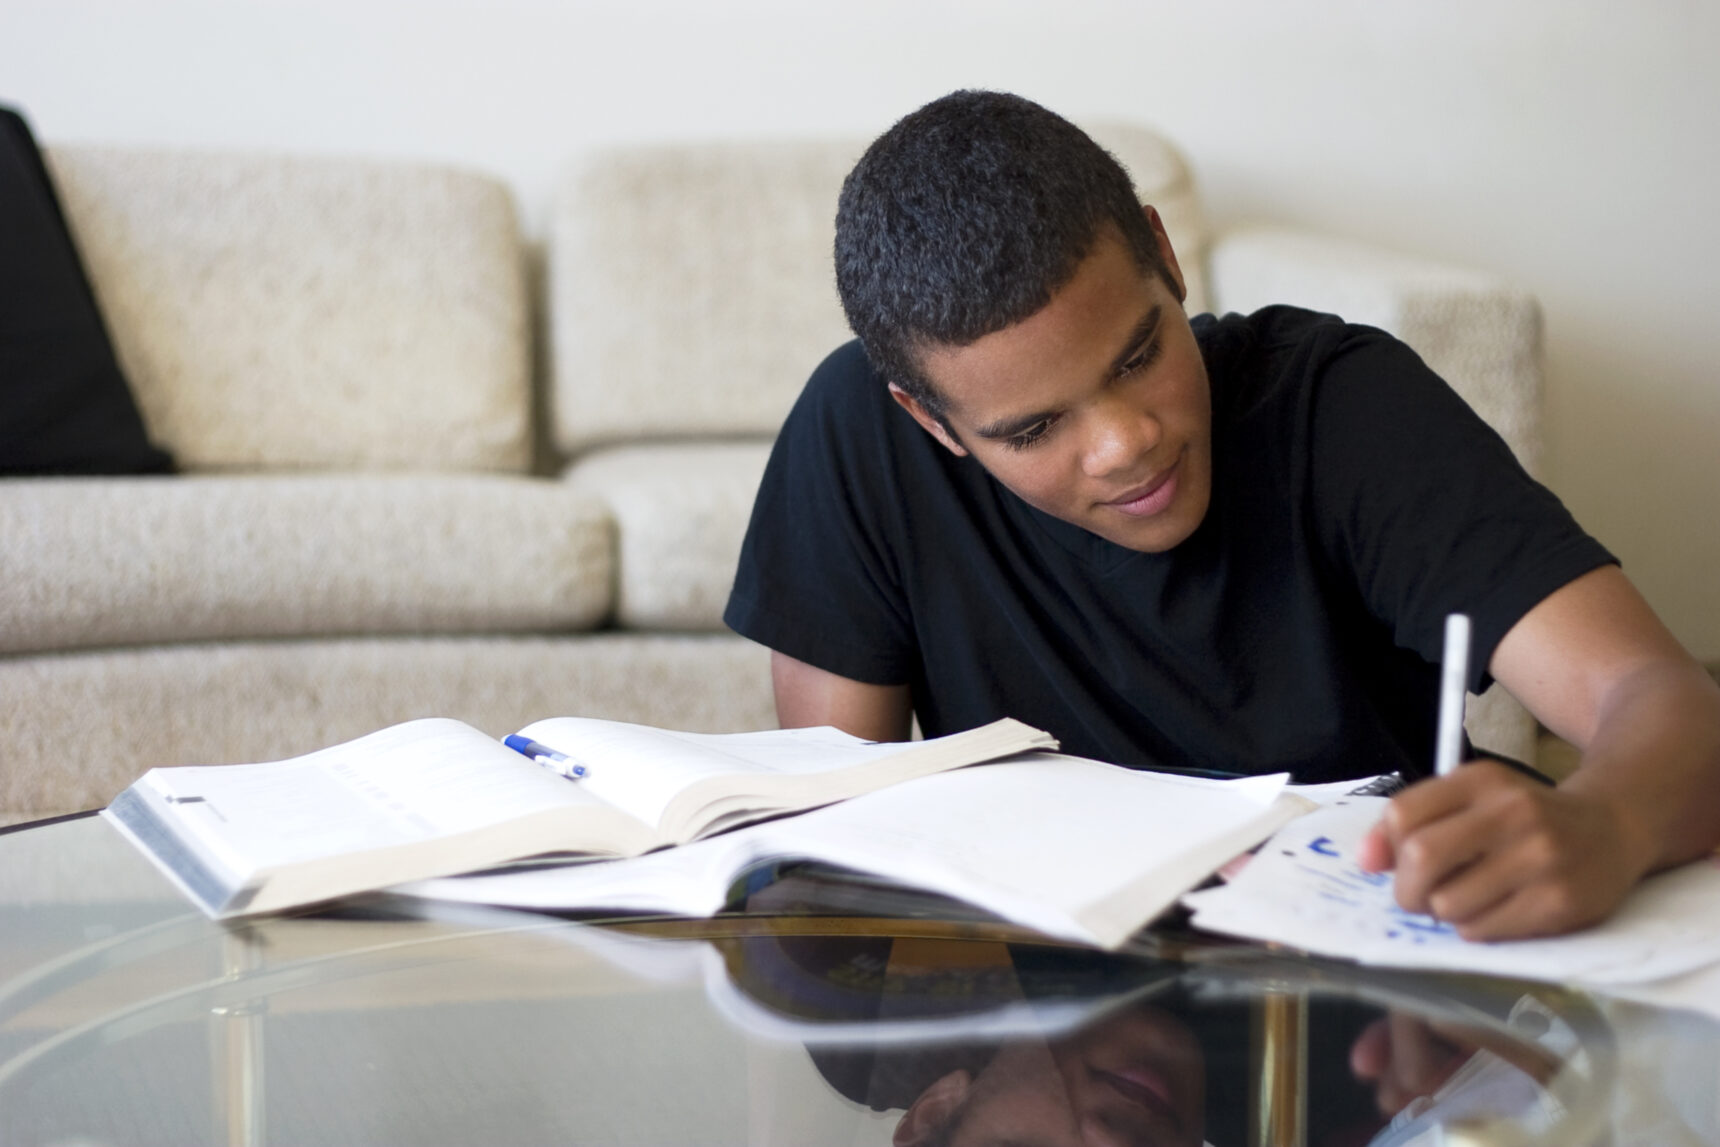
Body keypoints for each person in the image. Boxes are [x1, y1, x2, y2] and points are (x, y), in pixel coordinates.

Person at [724, 90, 1720, 941]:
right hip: (1059, 1019)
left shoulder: (1341, 406)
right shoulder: (857, 433)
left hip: (1369, 1001)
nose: (1125, 443)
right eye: (1033, 429)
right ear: (930, 420)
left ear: (1163, 254)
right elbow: (835, 843)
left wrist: (1607, 823)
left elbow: (1666, 703)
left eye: (1136, 355)